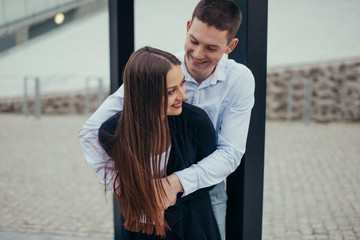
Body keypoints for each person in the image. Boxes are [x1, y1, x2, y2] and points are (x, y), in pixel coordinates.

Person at [79, 0, 255, 239]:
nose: (197, 54)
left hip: (205, 190)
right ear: (187, 27)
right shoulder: (161, 68)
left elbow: (230, 152)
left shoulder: (240, 80)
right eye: (193, 41)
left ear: (230, 46)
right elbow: (90, 133)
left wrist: (174, 184)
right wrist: (125, 185)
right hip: (149, 191)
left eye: (211, 48)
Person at [95, 46, 220, 239]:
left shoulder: (196, 122)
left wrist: (172, 191)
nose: (183, 95)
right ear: (145, 94)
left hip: (191, 227)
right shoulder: (111, 133)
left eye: (182, 83)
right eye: (171, 91)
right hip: (139, 231)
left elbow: (212, 175)